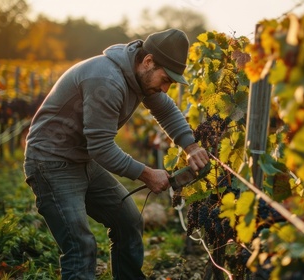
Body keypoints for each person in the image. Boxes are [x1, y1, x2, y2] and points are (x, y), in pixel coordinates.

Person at [23, 28, 209, 279]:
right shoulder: (107, 80)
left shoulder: (139, 77)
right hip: (51, 163)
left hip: (81, 160)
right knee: (81, 247)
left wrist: (191, 146)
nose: (165, 88)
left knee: (128, 222)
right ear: (148, 61)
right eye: (165, 79)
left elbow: (165, 110)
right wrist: (146, 174)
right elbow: (100, 147)